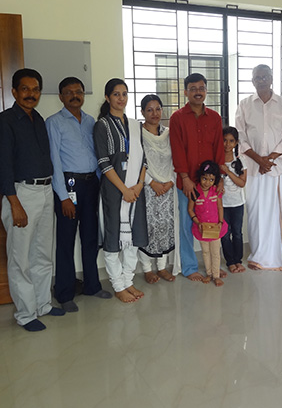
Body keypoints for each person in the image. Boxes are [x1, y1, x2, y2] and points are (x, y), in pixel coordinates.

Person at [0, 68, 65, 332]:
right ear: (14, 91)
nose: (31, 94)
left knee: (43, 253)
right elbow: (2, 166)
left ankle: (43, 304)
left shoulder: (39, 120)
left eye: (35, 90)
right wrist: (14, 203)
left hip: (45, 192)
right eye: (25, 89)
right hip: (21, 194)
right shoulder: (3, 121)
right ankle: (25, 313)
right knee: (20, 257)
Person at [46, 77, 112, 313]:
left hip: (90, 184)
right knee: (65, 240)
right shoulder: (53, 123)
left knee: (91, 237)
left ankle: (92, 286)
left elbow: (96, 155)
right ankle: (64, 293)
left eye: (79, 92)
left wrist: (98, 185)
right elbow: (53, 160)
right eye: (69, 92)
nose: (75, 95)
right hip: (69, 185)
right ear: (61, 97)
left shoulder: (91, 121)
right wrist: (63, 196)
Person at [235, 64, 282, 271]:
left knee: (277, 212)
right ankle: (258, 255)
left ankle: (278, 258)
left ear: (271, 78)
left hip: (275, 168)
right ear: (252, 81)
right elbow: (239, 136)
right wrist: (258, 160)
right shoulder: (244, 105)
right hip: (252, 168)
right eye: (257, 77)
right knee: (255, 212)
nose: (261, 80)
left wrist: (269, 159)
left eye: (265, 76)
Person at [94, 78, 147, 303]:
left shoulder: (135, 125)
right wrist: (124, 189)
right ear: (107, 98)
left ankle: (129, 280)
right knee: (114, 238)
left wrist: (139, 185)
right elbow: (104, 162)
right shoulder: (102, 125)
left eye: (124, 94)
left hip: (135, 189)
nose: (121, 98)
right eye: (116, 94)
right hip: (115, 190)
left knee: (133, 237)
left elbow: (144, 159)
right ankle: (118, 285)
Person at [169, 73, 225, 281]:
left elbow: (219, 149)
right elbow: (177, 149)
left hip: (210, 184)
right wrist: (185, 178)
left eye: (201, 88)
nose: (198, 92)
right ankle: (190, 267)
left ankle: (214, 268)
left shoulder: (215, 118)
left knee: (213, 221)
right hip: (188, 182)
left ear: (206, 91)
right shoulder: (177, 118)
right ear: (186, 92)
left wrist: (219, 180)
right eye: (193, 88)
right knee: (187, 224)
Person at [138, 94, 178, 284]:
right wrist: (152, 183)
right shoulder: (137, 134)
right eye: (149, 109)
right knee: (148, 228)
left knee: (165, 227)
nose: (154, 113)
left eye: (158, 109)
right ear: (142, 112)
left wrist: (170, 181)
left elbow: (176, 160)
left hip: (168, 188)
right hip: (148, 188)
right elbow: (135, 163)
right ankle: (147, 269)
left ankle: (162, 267)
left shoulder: (169, 133)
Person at [187, 161, 228, 286]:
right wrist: (197, 222)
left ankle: (216, 275)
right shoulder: (194, 192)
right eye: (204, 178)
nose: (207, 182)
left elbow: (220, 207)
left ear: (215, 180)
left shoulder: (216, 191)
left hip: (216, 228)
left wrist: (220, 222)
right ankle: (209, 274)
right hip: (201, 229)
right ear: (200, 177)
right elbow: (190, 209)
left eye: (211, 180)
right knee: (205, 252)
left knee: (215, 252)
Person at [220, 126, 247, 273]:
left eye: (231, 141)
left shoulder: (241, 160)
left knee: (237, 232)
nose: (227, 144)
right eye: (224, 140)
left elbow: (242, 183)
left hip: (237, 203)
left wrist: (228, 172)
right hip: (222, 204)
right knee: (224, 233)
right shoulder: (217, 160)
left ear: (236, 143)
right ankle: (230, 261)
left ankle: (238, 260)